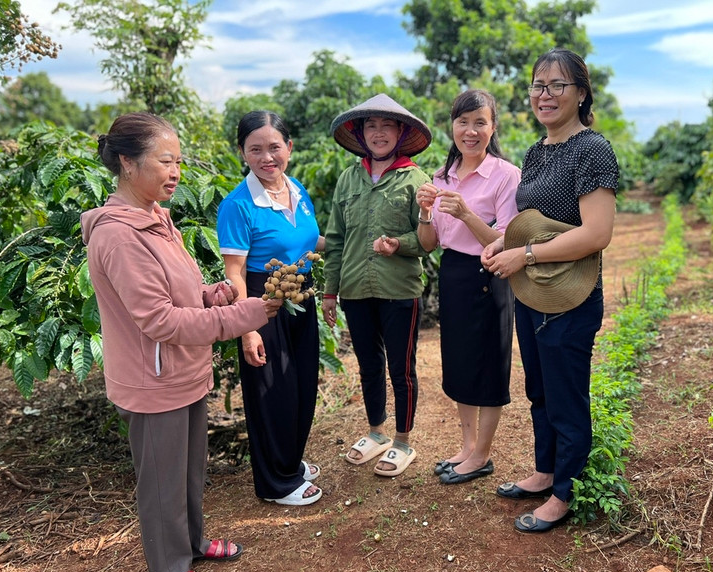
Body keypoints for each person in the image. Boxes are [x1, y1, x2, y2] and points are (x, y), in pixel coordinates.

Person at [81, 112, 282, 572]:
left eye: (178, 162)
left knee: (188, 470)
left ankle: (190, 542)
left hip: (181, 371)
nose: (175, 172)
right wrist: (246, 315)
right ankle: (167, 566)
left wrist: (211, 294)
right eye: (164, 161)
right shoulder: (118, 234)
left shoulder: (157, 218)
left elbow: (178, 295)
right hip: (152, 379)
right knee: (161, 479)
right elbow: (159, 321)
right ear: (128, 163)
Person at [481, 48, 619, 532]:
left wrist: (527, 256)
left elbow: (596, 233)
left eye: (557, 85)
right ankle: (545, 471)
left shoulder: (593, 150)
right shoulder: (536, 152)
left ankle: (565, 492)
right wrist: (502, 243)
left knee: (566, 395)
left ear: (581, 93)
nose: (545, 95)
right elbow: (531, 223)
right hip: (534, 292)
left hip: (572, 296)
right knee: (539, 389)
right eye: (539, 85)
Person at [217, 111, 325, 506]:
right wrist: (247, 327)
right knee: (271, 391)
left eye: (274, 147)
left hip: (301, 292)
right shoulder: (238, 205)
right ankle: (275, 483)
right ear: (242, 153)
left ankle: (289, 463)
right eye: (255, 149)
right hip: (262, 299)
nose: (267, 157)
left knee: (300, 385)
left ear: (289, 148)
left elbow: (310, 243)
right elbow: (235, 272)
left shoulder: (296, 189)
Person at [322, 94, 432, 477]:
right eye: (371, 125)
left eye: (387, 126)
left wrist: (398, 244)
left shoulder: (417, 180)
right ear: (361, 132)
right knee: (369, 366)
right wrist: (330, 291)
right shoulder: (348, 179)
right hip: (354, 289)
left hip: (400, 289)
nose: (379, 132)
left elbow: (429, 240)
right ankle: (376, 433)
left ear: (401, 132)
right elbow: (335, 240)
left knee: (401, 368)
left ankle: (402, 441)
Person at [415, 89, 520, 484]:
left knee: (489, 365)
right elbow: (429, 244)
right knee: (459, 362)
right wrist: (425, 212)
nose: (470, 130)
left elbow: (508, 240)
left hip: (490, 275)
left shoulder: (507, 175)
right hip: (454, 275)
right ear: (452, 126)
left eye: (480, 122)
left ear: (493, 127)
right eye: (463, 121)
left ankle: (482, 455)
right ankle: (467, 447)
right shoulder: (441, 177)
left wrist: (467, 212)